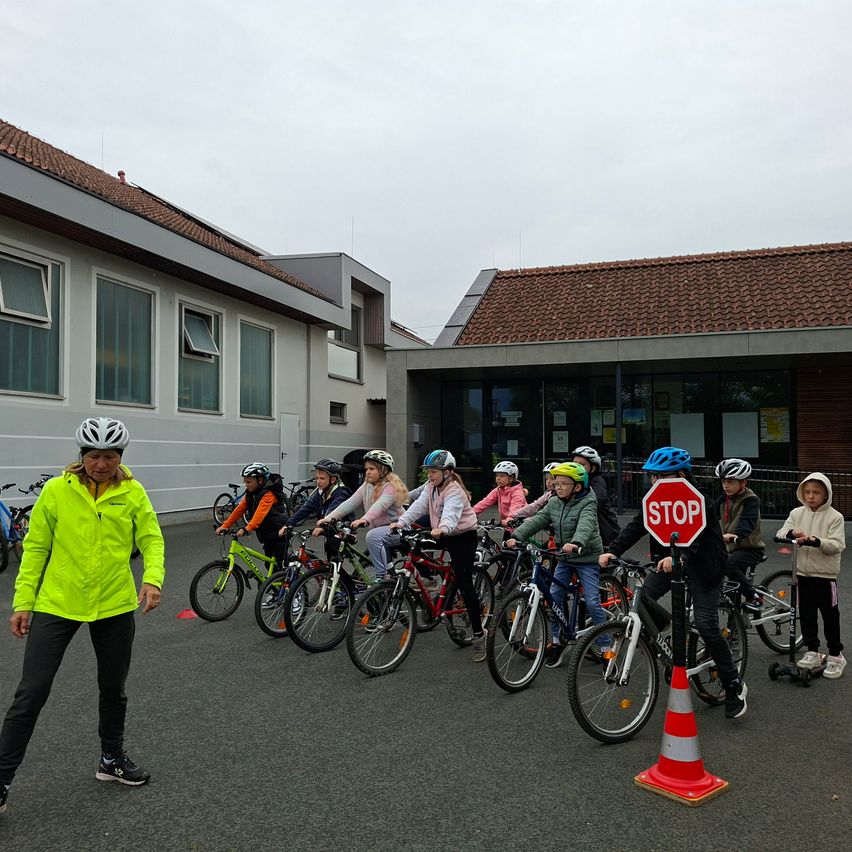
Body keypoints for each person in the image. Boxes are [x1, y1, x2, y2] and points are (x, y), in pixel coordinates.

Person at [0, 417, 165, 816]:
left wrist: (153, 579)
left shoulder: (132, 491)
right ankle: (1, 780)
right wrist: (23, 602)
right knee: (31, 692)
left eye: (109, 456)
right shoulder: (57, 491)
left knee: (113, 688)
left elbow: (150, 537)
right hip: (58, 603)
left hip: (113, 604)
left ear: (120, 457)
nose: (101, 464)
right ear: (82, 456)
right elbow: (36, 547)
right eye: (94, 456)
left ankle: (111, 760)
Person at [599, 446, 749, 719]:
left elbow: (698, 537)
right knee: (642, 600)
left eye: (661, 476)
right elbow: (637, 525)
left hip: (705, 568)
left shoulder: (699, 500)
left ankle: (733, 685)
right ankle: (664, 632)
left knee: (705, 623)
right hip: (670, 563)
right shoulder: (655, 498)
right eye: (653, 476)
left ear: (681, 474)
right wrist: (612, 551)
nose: (654, 481)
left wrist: (678, 555)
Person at [506, 462, 605, 668]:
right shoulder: (554, 502)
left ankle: (605, 646)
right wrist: (517, 535)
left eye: (563, 483)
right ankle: (557, 641)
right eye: (556, 483)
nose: (557, 487)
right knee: (553, 597)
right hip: (564, 558)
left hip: (585, 557)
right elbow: (539, 519)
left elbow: (585, 525)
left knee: (593, 602)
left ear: (577, 487)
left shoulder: (588, 502)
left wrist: (577, 543)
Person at [390, 450, 486, 661]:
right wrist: (402, 522)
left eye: (433, 472)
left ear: (448, 472)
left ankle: (479, 634)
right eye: (428, 472)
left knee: (464, 582)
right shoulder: (430, 488)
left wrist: (442, 528)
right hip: (442, 533)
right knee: (407, 543)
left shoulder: (455, 491)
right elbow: (418, 506)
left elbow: (451, 513)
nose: (429, 475)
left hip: (462, 536)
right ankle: (434, 580)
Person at [776, 473, 846, 679]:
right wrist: (791, 535)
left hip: (825, 575)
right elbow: (782, 532)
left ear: (826, 495)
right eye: (807, 492)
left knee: (830, 615)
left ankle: (835, 655)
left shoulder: (835, 517)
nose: (811, 496)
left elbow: (837, 545)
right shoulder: (797, 513)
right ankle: (812, 651)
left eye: (816, 492)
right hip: (802, 573)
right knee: (806, 614)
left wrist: (816, 541)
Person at [317, 450, 409, 582]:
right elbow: (350, 503)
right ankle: (387, 585)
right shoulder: (367, 485)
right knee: (376, 544)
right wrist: (328, 519)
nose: (367, 472)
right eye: (366, 469)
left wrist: (364, 519)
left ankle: (381, 578)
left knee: (373, 537)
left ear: (383, 470)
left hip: (398, 528)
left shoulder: (391, 487)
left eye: (372, 469)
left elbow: (380, 506)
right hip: (382, 531)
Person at [714, 458, 765, 614]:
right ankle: (735, 629)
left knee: (729, 564)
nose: (725, 486)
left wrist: (736, 534)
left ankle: (754, 596)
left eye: (730, 481)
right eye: (723, 482)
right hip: (731, 548)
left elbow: (747, 522)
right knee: (731, 589)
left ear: (743, 483)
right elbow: (710, 517)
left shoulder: (750, 500)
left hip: (750, 548)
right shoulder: (724, 498)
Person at [216, 463, 289, 570]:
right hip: (267, 532)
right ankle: (271, 585)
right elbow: (240, 509)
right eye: (245, 482)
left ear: (260, 480)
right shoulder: (252, 493)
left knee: (281, 565)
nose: (246, 484)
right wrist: (225, 525)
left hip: (279, 531)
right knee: (269, 564)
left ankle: (295, 585)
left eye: (249, 482)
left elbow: (260, 513)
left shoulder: (269, 494)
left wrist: (247, 528)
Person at [279, 459, 352, 557]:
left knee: (333, 551)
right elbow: (305, 509)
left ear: (333, 479)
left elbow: (333, 511)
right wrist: (287, 524)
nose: (318, 481)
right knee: (329, 554)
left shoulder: (341, 493)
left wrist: (322, 527)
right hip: (328, 528)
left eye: (322, 478)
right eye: (317, 478)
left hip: (342, 530)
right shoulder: (321, 492)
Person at [571, 446, 621, 546]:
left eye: (582, 464)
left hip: (602, 532)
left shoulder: (597, 483)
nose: (576, 467)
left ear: (593, 468)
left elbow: (596, 502)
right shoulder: (571, 482)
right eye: (574, 464)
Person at [504, 462, 560, 527]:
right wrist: (513, 515)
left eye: (552, 478)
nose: (548, 481)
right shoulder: (548, 493)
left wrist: (528, 520)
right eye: (546, 479)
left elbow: (546, 513)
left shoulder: (560, 496)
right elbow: (534, 506)